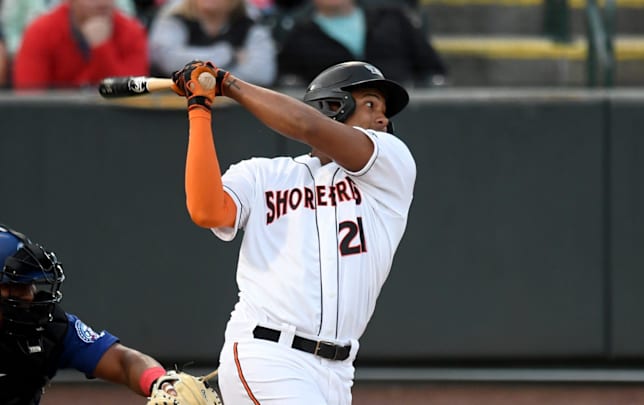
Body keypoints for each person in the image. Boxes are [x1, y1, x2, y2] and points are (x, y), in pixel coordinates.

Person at [170, 59, 416, 404]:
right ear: (332, 107)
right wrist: (199, 109)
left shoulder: (392, 165)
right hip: (267, 354)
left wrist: (228, 83)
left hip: (338, 372)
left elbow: (307, 127)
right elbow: (206, 210)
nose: (383, 118)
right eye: (371, 104)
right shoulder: (263, 175)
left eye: (384, 110)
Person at [0, 224, 179, 405]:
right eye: (15, 287)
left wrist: (160, 382)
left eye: (29, 285)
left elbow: (123, 361)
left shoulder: (48, 328)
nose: (30, 295)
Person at [275, 0, 447, 88]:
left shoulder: (393, 18)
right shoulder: (298, 33)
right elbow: (289, 80)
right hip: (335, 120)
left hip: (400, 110)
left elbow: (432, 68)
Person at [12, 0, 149, 90]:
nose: (102, 3)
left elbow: (132, 96)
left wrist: (101, 48)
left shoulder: (132, 32)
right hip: (54, 126)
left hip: (117, 127)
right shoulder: (40, 32)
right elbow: (30, 99)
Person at [148, 0, 276, 86]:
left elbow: (261, 74)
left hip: (235, 109)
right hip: (175, 107)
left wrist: (203, 77)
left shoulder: (250, 25)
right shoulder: (174, 18)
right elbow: (169, 61)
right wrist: (229, 55)